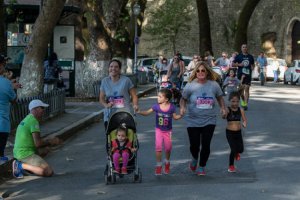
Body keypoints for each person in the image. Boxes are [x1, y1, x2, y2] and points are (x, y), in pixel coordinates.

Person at [179, 62, 227, 176]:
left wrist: (223, 108)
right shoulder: (190, 85)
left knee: (206, 144)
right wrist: (182, 107)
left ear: (207, 72)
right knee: (194, 145)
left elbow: (220, 98)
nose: (200, 72)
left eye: (203, 70)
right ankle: (195, 158)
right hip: (193, 120)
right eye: (198, 71)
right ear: (195, 73)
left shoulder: (214, 85)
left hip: (209, 120)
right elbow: (183, 99)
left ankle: (201, 166)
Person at [137, 88, 182, 175]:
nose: (157, 98)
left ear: (166, 99)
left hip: (168, 131)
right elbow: (147, 112)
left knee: (168, 148)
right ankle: (158, 165)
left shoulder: (172, 107)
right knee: (158, 147)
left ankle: (167, 162)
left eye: (160, 96)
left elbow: (175, 117)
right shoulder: (156, 106)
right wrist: (139, 111)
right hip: (159, 130)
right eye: (158, 96)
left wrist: (181, 115)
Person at [12, 99, 61, 178]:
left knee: (46, 150)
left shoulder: (28, 119)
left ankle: (27, 167)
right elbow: (38, 143)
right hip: (25, 154)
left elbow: (36, 141)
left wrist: (48, 143)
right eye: (42, 108)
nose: (43, 110)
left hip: (19, 152)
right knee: (48, 172)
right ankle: (20, 166)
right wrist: (51, 142)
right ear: (35, 109)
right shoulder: (33, 121)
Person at [99, 59, 139, 130]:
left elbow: (134, 96)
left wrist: (135, 105)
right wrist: (106, 105)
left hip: (124, 114)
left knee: (124, 137)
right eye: (111, 66)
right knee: (111, 138)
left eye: (116, 67)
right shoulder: (104, 81)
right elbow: (101, 98)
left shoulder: (126, 80)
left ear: (120, 69)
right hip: (109, 115)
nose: (113, 68)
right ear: (108, 68)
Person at [0, 55, 21, 164]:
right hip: (2, 125)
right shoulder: (5, 83)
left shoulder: (6, 82)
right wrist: (13, 87)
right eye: (4, 65)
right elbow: (14, 99)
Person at [224, 91, 247, 173]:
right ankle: (231, 166)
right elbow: (223, 117)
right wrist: (224, 113)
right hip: (229, 132)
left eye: (237, 101)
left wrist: (244, 123)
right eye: (233, 101)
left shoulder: (241, 110)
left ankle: (237, 152)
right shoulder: (228, 109)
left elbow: (244, 120)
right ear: (229, 101)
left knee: (241, 149)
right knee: (233, 149)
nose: (235, 103)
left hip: (238, 132)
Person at [233, 44, 255, 110]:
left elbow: (253, 65)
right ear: (241, 48)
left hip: (248, 75)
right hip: (240, 75)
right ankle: (243, 101)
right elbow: (233, 64)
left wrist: (252, 67)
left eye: (245, 47)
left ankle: (245, 104)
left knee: (247, 88)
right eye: (243, 47)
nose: (244, 48)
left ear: (247, 48)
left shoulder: (250, 57)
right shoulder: (238, 56)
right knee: (241, 90)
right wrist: (239, 64)